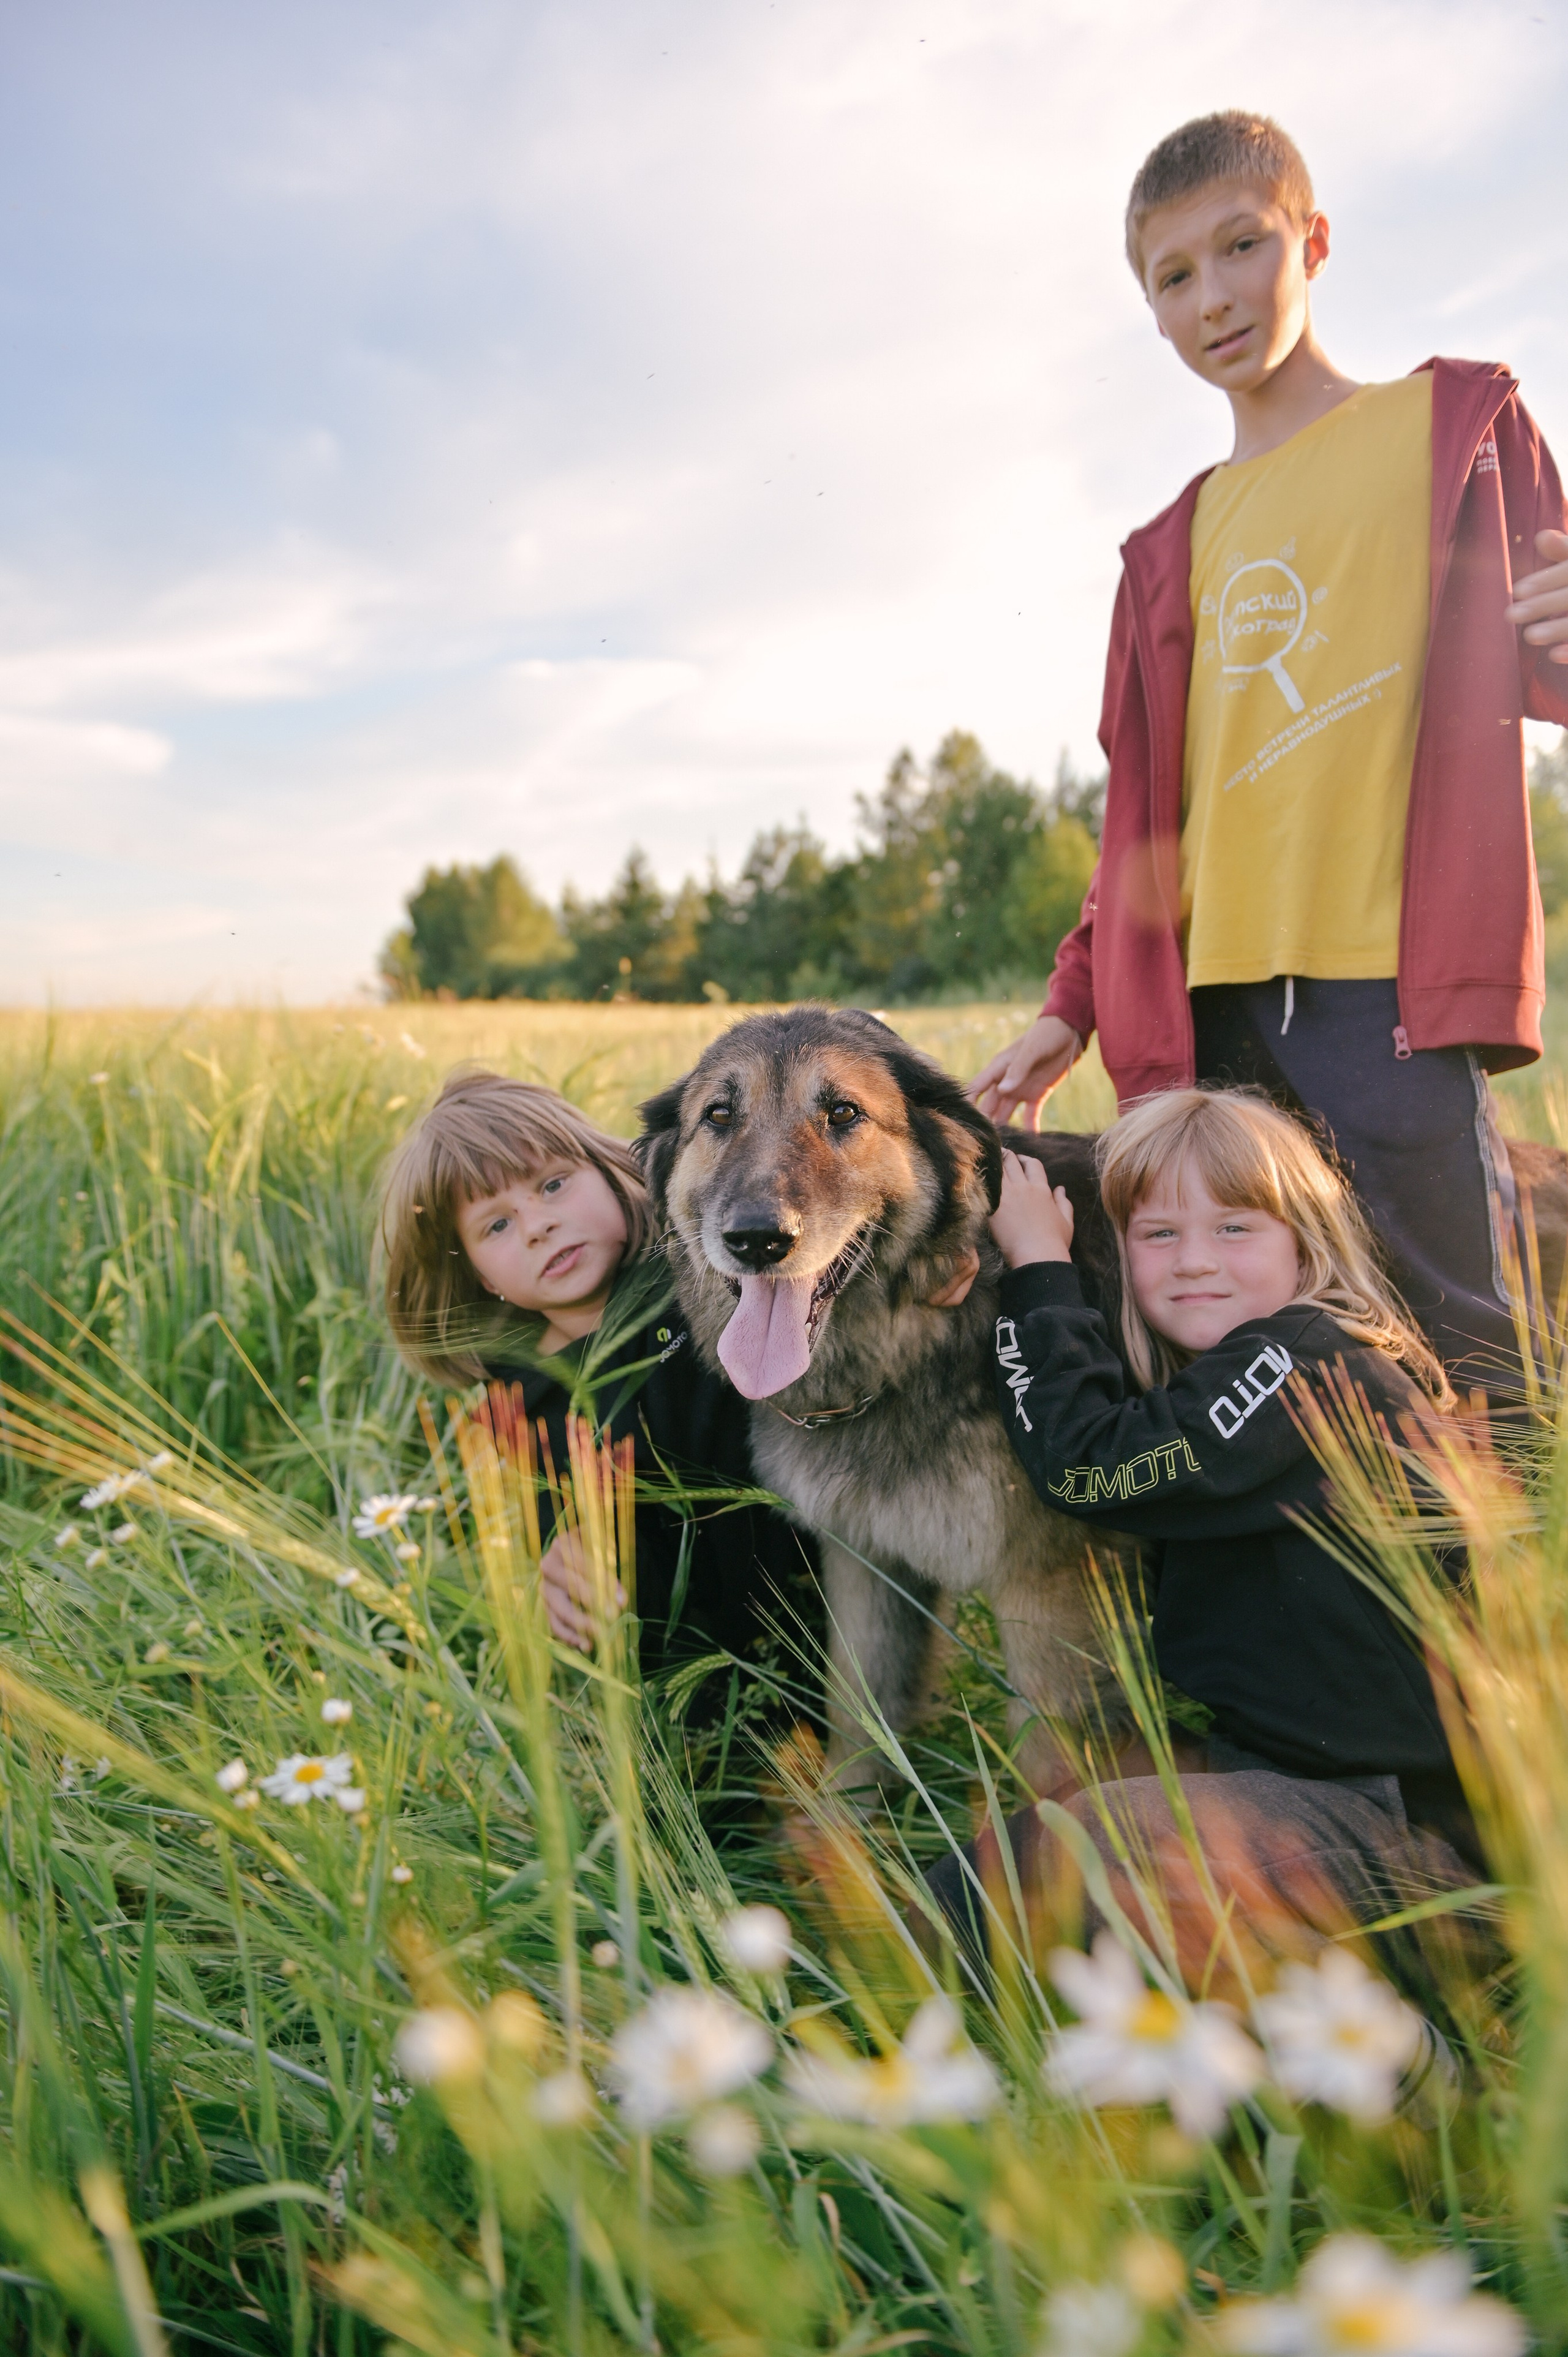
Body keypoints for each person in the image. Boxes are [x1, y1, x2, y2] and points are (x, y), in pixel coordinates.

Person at [970, 110, 1568, 1393]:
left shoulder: (1448, 429)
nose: (1211, 297)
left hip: (1386, 987)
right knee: (1240, 1356)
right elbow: (1141, 830)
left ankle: (1498, 1589)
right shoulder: (1165, 550)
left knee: (1457, 1333)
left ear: (1314, 239)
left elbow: (1549, 665)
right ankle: (1304, 1595)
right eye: (1170, 276)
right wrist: (1071, 1004)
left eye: (1239, 246)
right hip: (1208, 1012)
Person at [925, 1086, 1483, 1993]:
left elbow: (1087, 1467)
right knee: (1025, 1843)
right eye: (1157, 1235)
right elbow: (1090, 1403)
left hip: (1411, 1840)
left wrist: (1036, 1266)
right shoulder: (1234, 1376)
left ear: (1307, 1239)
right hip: (1291, 1788)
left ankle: (1403, 2066)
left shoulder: (1309, 1360)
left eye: (1235, 1230)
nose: (1194, 1264)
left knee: (1082, 1846)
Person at [379, 1069, 815, 1676]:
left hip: (823, 1610)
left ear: (612, 1172)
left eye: (553, 1184)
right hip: (688, 1690)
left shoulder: (705, 1277)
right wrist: (551, 1560)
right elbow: (540, 1518)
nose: (537, 1225)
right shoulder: (516, 1402)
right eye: (496, 1225)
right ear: (481, 1275)